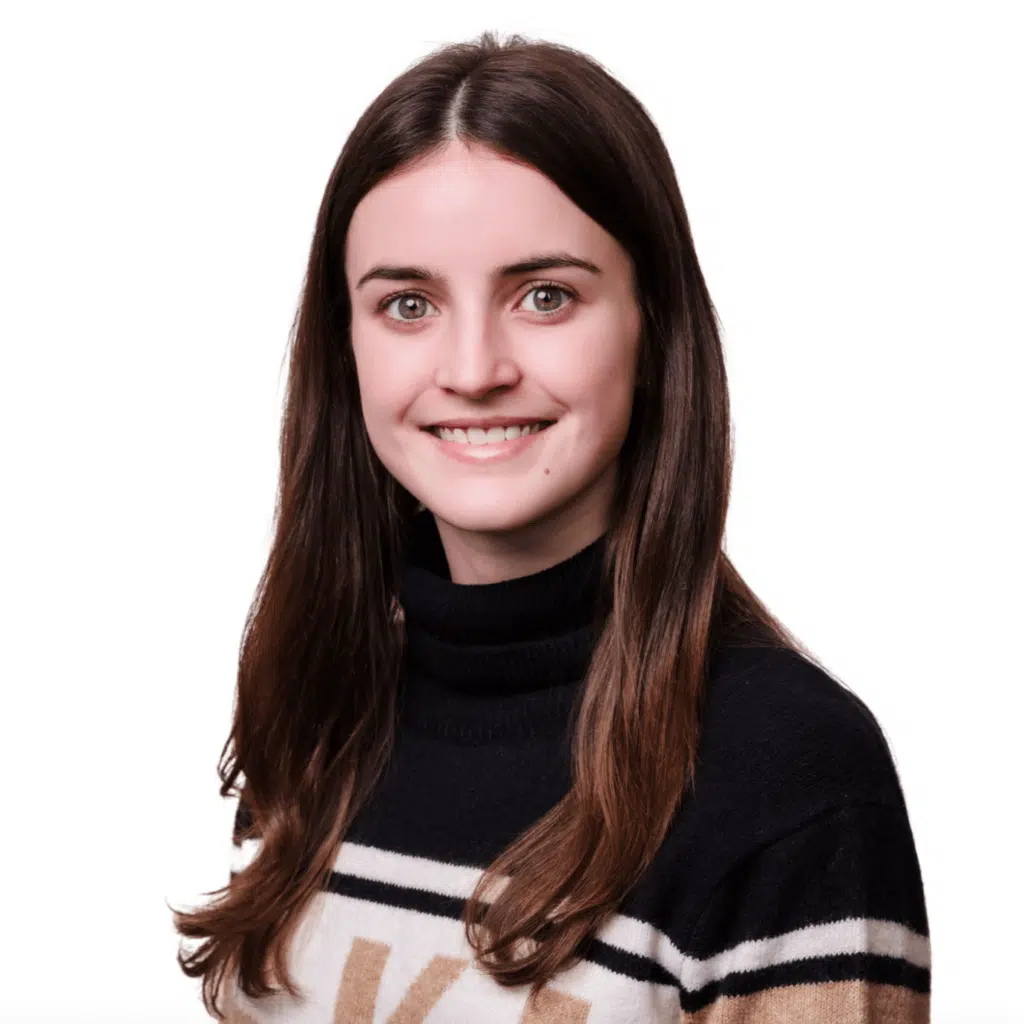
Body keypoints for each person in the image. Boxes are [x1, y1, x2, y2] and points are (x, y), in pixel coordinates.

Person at [172, 30, 930, 1022]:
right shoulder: (323, 705)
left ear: (652, 329)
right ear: (344, 345)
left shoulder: (790, 774)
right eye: (407, 303)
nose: (474, 367)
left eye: (545, 295)